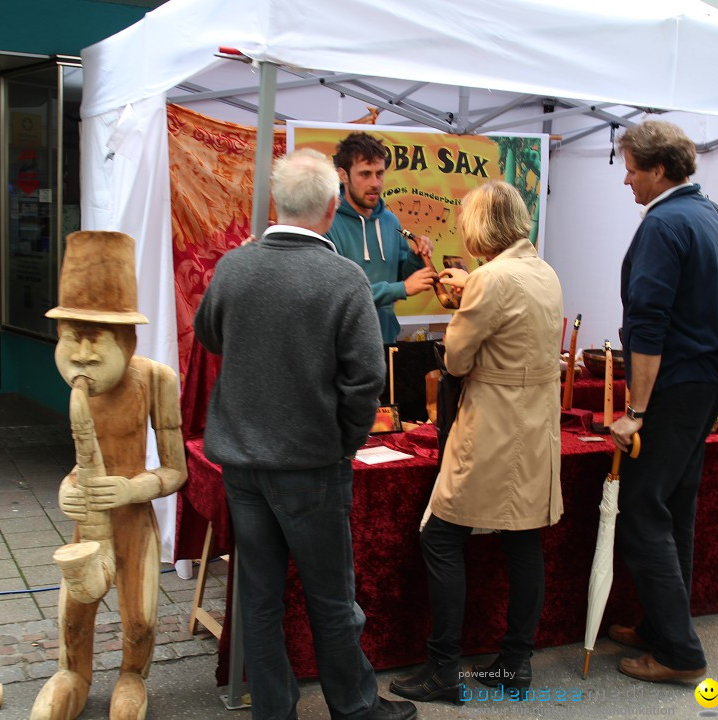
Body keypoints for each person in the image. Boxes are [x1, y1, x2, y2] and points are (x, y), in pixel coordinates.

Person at [194, 149, 417, 720]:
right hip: (311, 464)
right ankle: (355, 705)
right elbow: (366, 378)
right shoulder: (341, 278)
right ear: (329, 205)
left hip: (242, 462)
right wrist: (342, 441)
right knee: (330, 597)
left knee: (261, 598)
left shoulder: (235, 267)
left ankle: (275, 710)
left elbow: (210, 336)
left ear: (278, 204)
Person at [389, 181, 563, 703]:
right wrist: (471, 291)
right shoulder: (543, 270)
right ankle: (516, 663)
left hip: (493, 423)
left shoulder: (491, 278)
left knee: (440, 537)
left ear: (481, 226)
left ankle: (443, 670)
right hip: (534, 423)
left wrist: (468, 294)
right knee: (523, 538)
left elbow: (458, 360)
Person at [33, 231, 188, 720]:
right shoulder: (79, 384)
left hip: (133, 522)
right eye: (71, 337)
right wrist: (67, 490)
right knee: (74, 616)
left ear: (127, 339)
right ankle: (72, 672)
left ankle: (131, 674)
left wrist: (132, 487)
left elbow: (175, 471)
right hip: (90, 526)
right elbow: (78, 465)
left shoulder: (155, 379)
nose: (80, 353)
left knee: (139, 619)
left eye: (95, 339)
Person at [608, 120, 718, 684]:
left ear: (658, 169)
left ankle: (680, 652)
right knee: (675, 508)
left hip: (674, 387)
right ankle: (662, 626)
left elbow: (649, 326)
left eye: (632, 168)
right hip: (704, 384)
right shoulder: (709, 214)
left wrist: (636, 410)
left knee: (642, 513)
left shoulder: (663, 225)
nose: (627, 179)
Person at [328, 131, 438, 343]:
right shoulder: (329, 222)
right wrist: (401, 289)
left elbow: (401, 278)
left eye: (379, 173)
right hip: (344, 345)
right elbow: (340, 295)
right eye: (365, 174)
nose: (375, 183)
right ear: (343, 175)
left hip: (386, 341)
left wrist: (416, 258)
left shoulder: (390, 220)